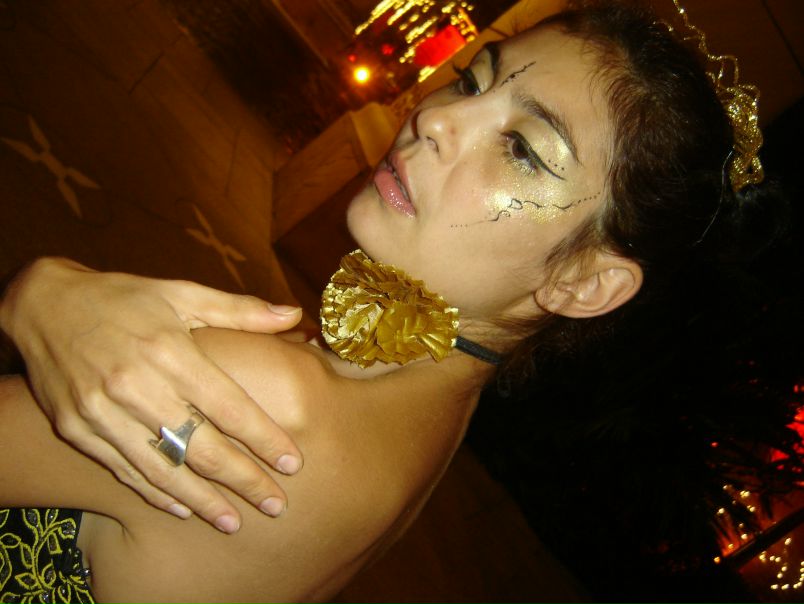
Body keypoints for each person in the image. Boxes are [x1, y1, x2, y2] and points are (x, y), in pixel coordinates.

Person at [1, 1, 798, 601]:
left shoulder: (267, 405)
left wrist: (38, 298)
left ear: (583, 283)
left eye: (523, 149)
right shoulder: (425, 418)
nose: (439, 119)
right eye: (471, 82)